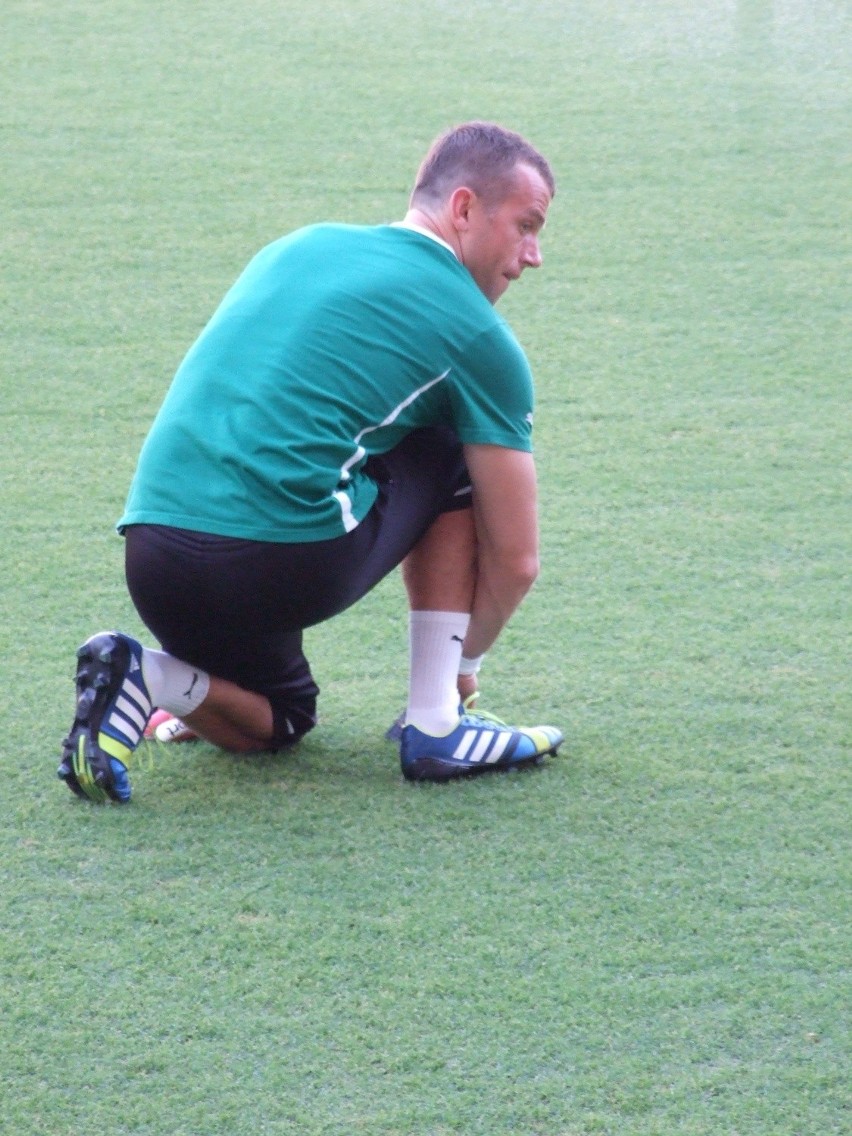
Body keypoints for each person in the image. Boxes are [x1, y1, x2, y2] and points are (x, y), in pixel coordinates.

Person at [57, 120, 563, 803]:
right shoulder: (478, 335)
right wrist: (463, 666)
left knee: (279, 720)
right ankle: (437, 721)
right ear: (465, 208)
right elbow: (516, 560)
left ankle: (145, 673)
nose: (532, 256)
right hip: (274, 562)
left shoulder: (299, 245)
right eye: (526, 226)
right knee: (451, 448)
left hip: (153, 554)